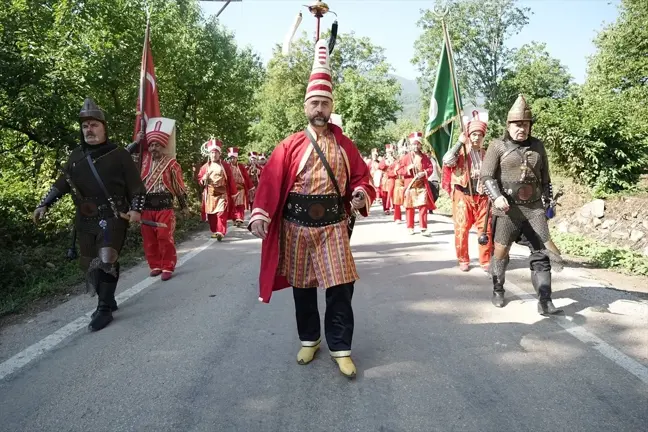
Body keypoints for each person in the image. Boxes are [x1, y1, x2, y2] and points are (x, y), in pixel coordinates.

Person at [248, 39, 375, 379]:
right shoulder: (288, 145)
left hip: (333, 226)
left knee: (340, 289)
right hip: (296, 227)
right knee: (302, 289)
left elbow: (362, 177)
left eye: (325, 103)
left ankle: (341, 348)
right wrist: (260, 213)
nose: (319, 108)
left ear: (332, 106)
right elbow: (271, 183)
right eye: (314, 103)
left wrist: (360, 193)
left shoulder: (345, 144)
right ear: (306, 106)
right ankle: (309, 339)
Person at [33, 98, 146, 331]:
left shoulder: (119, 154)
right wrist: (44, 204)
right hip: (84, 219)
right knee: (90, 264)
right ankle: (108, 298)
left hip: (113, 215)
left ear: (104, 127)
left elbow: (137, 187)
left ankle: (104, 307)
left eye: (94, 125)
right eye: (85, 126)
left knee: (107, 257)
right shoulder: (76, 156)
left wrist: (135, 209)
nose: (89, 130)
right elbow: (62, 184)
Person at [480, 94, 563, 314]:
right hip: (506, 209)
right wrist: (496, 196)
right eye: (517, 124)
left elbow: (545, 179)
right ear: (508, 125)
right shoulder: (497, 146)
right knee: (500, 252)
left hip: (533, 208)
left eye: (525, 124)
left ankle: (545, 300)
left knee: (541, 252)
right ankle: (498, 289)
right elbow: (486, 176)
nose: (521, 128)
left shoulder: (538, 146)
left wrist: (548, 202)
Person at [137, 117, 189, 281]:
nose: (154, 148)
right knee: (149, 238)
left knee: (164, 237)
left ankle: (167, 265)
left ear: (163, 146)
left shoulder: (171, 164)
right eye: (151, 145)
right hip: (146, 207)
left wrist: (184, 206)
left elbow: (179, 186)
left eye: (157, 145)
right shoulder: (143, 163)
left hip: (164, 206)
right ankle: (155, 265)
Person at [442, 112, 492, 272]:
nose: (476, 138)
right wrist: (459, 143)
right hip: (463, 195)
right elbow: (447, 160)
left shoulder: (487, 154)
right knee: (462, 229)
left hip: (483, 197)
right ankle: (463, 258)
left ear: (483, 136)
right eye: (473, 134)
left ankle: (485, 260)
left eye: (479, 135)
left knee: (485, 229)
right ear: (469, 135)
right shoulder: (461, 151)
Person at [397, 132, 436, 235]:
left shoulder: (424, 157)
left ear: (420, 145)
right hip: (410, 185)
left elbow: (430, 168)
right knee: (409, 207)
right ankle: (410, 227)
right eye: (414, 144)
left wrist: (424, 173)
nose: (415, 146)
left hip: (422, 185)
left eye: (417, 144)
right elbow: (399, 170)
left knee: (423, 206)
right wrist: (407, 169)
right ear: (411, 145)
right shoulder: (405, 158)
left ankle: (423, 227)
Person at [198, 138, 237, 241]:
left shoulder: (225, 165)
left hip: (222, 193)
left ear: (219, 154)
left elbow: (230, 179)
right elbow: (200, 180)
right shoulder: (204, 167)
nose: (214, 155)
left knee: (221, 212)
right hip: (210, 193)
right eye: (212, 153)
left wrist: (233, 193)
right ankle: (215, 230)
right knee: (211, 214)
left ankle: (221, 231)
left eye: (216, 153)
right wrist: (203, 179)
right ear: (209, 154)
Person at [225, 147, 254, 227]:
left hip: (240, 188)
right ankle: (235, 219)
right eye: (231, 158)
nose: (232, 159)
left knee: (240, 204)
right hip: (231, 189)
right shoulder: (227, 167)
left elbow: (246, 177)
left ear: (237, 158)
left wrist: (250, 187)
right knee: (233, 205)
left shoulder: (241, 166)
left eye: (234, 158)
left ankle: (239, 218)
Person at [378, 144, 396, 215]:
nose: (390, 154)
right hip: (385, 178)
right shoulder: (384, 159)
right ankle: (386, 208)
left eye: (391, 152)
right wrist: (386, 163)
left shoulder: (395, 159)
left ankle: (394, 207)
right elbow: (380, 167)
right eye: (388, 152)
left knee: (394, 193)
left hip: (393, 178)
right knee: (384, 194)